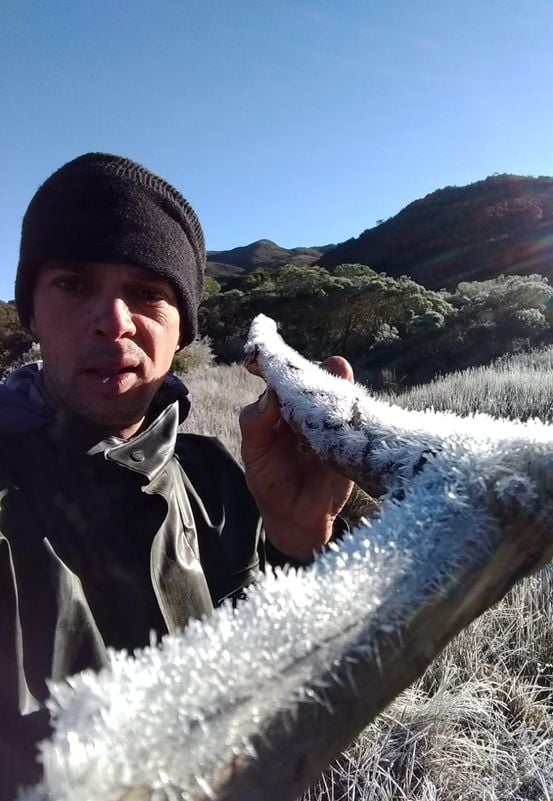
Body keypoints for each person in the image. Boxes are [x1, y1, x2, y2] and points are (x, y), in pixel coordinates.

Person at [0, 153, 353, 795]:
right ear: (31, 313)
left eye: (146, 292)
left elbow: (262, 700)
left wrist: (297, 541)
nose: (113, 319)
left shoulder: (212, 475)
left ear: (181, 325)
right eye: (74, 285)